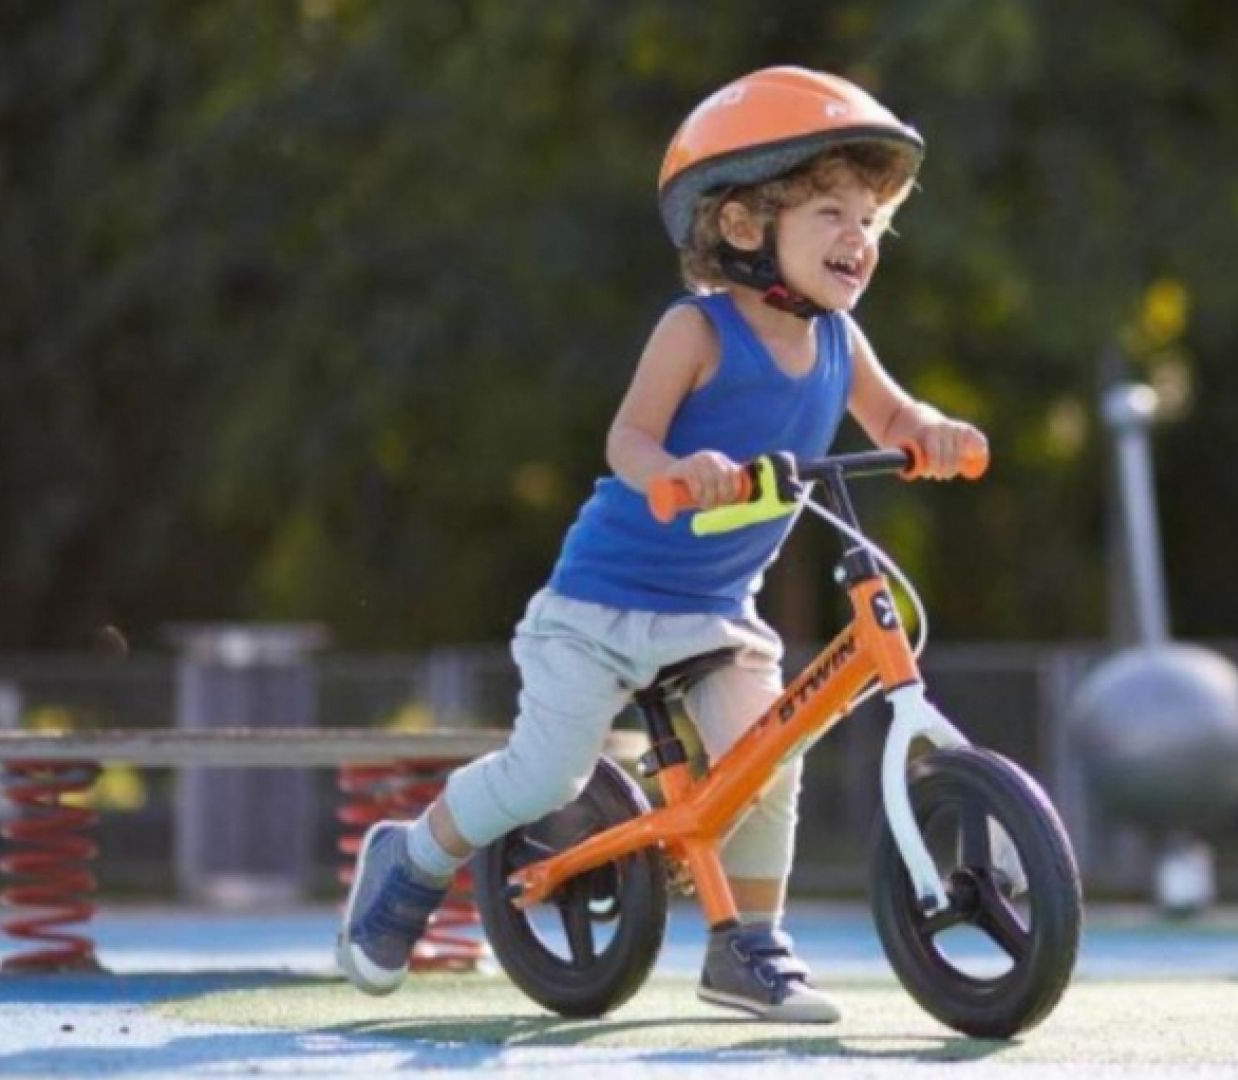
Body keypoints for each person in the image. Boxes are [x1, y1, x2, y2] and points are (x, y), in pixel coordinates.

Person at [337, 66, 988, 1023]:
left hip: (712, 617)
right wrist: (681, 473)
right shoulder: (699, 330)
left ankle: (749, 947)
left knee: (768, 756)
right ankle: (415, 856)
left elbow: (890, 413)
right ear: (741, 227)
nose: (858, 238)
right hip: (597, 609)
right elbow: (628, 441)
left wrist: (933, 430)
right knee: (546, 772)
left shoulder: (844, 339)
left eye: (870, 220)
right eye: (830, 214)